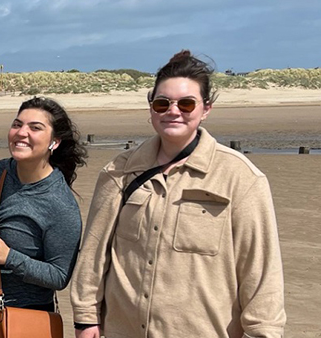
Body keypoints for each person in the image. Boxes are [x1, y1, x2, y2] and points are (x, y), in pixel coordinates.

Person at [70, 50, 285, 338]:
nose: (173, 111)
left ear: (205, 109)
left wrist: (263, 332)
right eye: (162, 103)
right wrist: (86, 318)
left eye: (186, 104)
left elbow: (261, 270)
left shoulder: (241, 178)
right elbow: (94, 253)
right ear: (151, 108)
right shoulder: (119, 171)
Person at [0, 97, 88, 336]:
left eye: (35, 128)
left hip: (26, 317)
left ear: (54, 142)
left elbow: (59, 275)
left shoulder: (59, 203)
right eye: (17, 125)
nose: (21, 133)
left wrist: (9, 257)